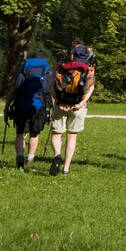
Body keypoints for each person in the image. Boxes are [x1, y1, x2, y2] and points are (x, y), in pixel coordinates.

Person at [49, 41, 96, 176]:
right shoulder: (89, 65)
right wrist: (80, 103)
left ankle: (57, 155)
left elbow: (52, 85)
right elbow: (91, 87)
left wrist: (56, 101)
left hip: (61, 102)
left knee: (57, 134)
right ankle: (66, 168)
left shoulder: (61, 64)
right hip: (78, 105)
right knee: (72, 136)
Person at [7, 52, 52, 170]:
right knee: (34, 134)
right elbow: (48, 91)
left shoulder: (23, 72)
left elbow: (13, 90)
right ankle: (30, 159)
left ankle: (20, 157)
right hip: (38, 107)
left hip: (21, 106)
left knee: (20, 134)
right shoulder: (46, 73)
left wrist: (6, 107)